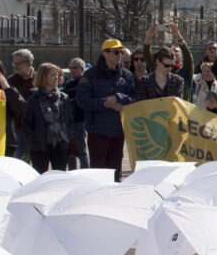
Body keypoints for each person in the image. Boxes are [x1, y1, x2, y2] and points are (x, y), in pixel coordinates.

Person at [77, 39, 136, 180]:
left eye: (121, 52)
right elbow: (82, 100)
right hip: (97, 131)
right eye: (116, 52)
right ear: (105, 53)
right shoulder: (90, 75)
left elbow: (134, 97)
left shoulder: (127, 75)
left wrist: (119, 97)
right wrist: (104, 103)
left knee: (116, 171)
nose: (119, 55)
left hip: (118, 131)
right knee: (98, 172)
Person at [24, 62, 73, 174]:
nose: (56, 77)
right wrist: (32, 139)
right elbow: (26, 121)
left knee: (59, 176)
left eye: (57, 75)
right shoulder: (34, 98)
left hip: (61, 144)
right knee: (40, 176)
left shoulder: (63, 97)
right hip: (40, 145)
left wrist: (68, 136)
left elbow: (69, 119)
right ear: (43, 76)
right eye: (52, 75)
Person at [143, 22, 196, 99]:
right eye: (171, 50)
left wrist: (178, 37)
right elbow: (147, 56)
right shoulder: (160, 69)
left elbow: (189, 58)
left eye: (176, 51)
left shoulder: (185, 71)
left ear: (182, 57)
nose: (173, 52)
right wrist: (148, 37)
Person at [63, 57, 89, 169]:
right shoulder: (70, 83)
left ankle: (85, 174)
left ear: (82, 69)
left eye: (75, 68)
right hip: (69, 121)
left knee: (81, 151)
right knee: (70, 152)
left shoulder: (84, 82)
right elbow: (64, 94)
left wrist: (69, 96)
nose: (72, 70)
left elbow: (73, 94)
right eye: (70, 68)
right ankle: (72, 173)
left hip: (79, 120)